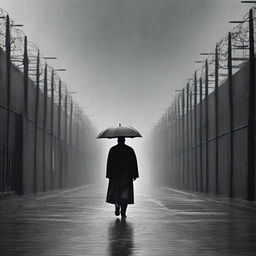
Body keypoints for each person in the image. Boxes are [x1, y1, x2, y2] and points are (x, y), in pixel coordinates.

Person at [106, 136, 139, 218]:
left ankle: (117, 205)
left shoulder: (113, 150)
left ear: (117, 140)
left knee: (116, 192)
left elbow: (109, 163)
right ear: (124, 140)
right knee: (125, 194)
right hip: (126, 176)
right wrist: (134, 175)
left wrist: (109, 175)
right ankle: (123, 212)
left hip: (115, 176)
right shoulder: (129, 150)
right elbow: (134, 163)